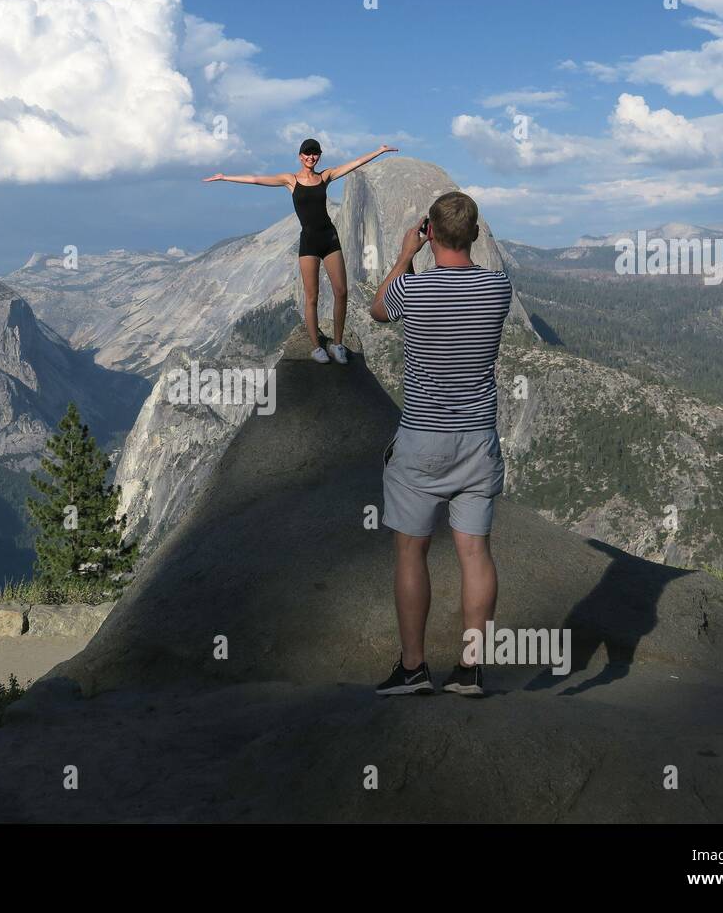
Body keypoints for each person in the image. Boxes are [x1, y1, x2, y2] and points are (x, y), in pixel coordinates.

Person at [368, 191, 511, 697]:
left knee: (411, 552)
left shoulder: (414, 289)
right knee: (476, 554)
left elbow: (377, 310)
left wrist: (407, 255)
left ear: (430, 233)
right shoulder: (498, 287)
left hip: (422, 438)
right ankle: (470, 669)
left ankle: (413, 669)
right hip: (477, 439)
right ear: (474, 234)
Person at [204, 139, 398, 363]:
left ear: (319, 156)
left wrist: (380, 151)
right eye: (307, 153)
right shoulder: (290, 180)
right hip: (309, 242)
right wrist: (225, 177)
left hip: (330, 238)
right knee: (312, 296)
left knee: (341, 292)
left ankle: (337, 344)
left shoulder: (325, 177)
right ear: (300, 156)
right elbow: (256, 179)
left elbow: (354, 163)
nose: (311, 157)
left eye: (315, 154)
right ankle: (317, 347)